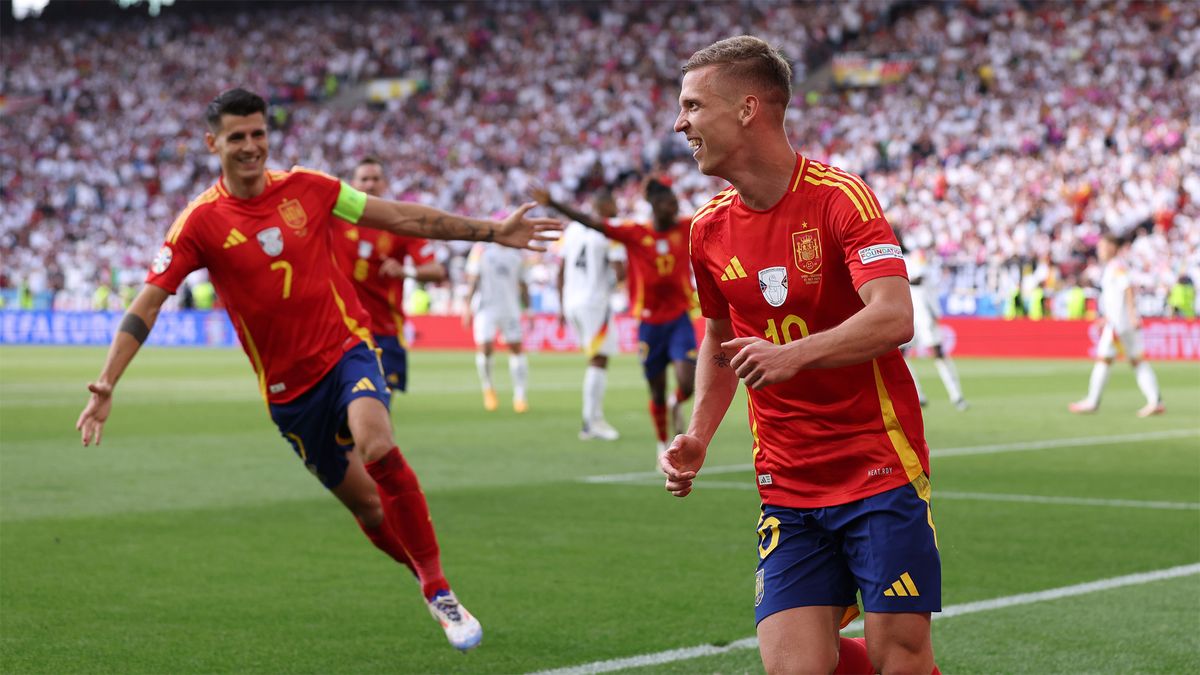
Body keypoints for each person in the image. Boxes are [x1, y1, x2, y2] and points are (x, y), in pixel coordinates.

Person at [74, 88, 558, 652]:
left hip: (347, 347)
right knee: (369, 507)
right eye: (238, 137)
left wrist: (491, 230)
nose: (252, 146)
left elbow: (401, 217)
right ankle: (424, 581)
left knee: (377, 444)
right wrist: (107, 381)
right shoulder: (199, 224)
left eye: (258, 133)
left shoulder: (311, 187)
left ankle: (439, 588)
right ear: (213, 144)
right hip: (288, 393)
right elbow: (148, 303)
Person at [666, 37, 941, 675]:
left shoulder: (840, 197)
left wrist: (795, 356)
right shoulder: (707, 230)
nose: (680, 124)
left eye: (692, 106)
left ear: (747, 109)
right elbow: (717, 336)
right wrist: (699, 435)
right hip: (786, 483)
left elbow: (895, 315)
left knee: (896, 655)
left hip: (878, 468)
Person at [533, 180, 697, 462]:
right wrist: (554, 203)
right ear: (655, 207)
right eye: (671, 204)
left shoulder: (686, 227)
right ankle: (662, 446)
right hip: (648, 324)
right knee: (655, 391)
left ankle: (676, 402)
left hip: (680, 318)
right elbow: (591, 222)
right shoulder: (634, 233)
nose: (676, 208)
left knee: (687, 382)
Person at [332, 157, 448, 393]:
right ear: (353, 184)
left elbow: (437, 271)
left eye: (376, 179)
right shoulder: (334, 220)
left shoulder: (398, 223)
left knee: (378, 408)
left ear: (385, 184)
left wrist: (406, 271)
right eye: (364, 179)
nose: (370, 184)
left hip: (385, 330)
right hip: (341, 328)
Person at [552, 188, 626, 440]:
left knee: (596, 357)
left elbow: (560, 271)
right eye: (614, 202)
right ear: (603, 206)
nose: (617, 206)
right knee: (599, 358)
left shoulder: (572, 229)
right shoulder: (608, 228)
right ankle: (591, 422)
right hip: (594, 301)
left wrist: (562, 304)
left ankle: (592, 419)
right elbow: (620, 271)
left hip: (572, 300)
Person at [1069, 232, 1165, 417]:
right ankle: (1155, 401)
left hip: (1119, 325)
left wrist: (1130, 315)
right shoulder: (1113, 267)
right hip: (1120, 322)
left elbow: (1127, 289)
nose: (1099, 250)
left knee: (1103, 359)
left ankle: (1092, 400)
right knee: (1137, 360)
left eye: (1102, 246)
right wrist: (1108, 316)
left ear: (1112, 247)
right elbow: (1116, 297)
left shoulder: (1116, 267)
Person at [463, 242, 531, 413]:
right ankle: (488, 388)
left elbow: (523, 284)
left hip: (511, 309)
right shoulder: (481, 250)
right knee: (485, 347)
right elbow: (473, 279)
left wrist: (529, 310)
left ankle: (520, 395)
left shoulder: (518, 254)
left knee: (516, 348)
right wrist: (467, 307)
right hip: (486, 308)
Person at [900, 243, 968, 411]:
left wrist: (898, 276)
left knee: (938, 352)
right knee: (900, 354)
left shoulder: (914, 256)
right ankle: (917, 394)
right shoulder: (896, 257)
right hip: (909, 312)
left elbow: (919, 277)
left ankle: (956, 395)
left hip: (924, 312)